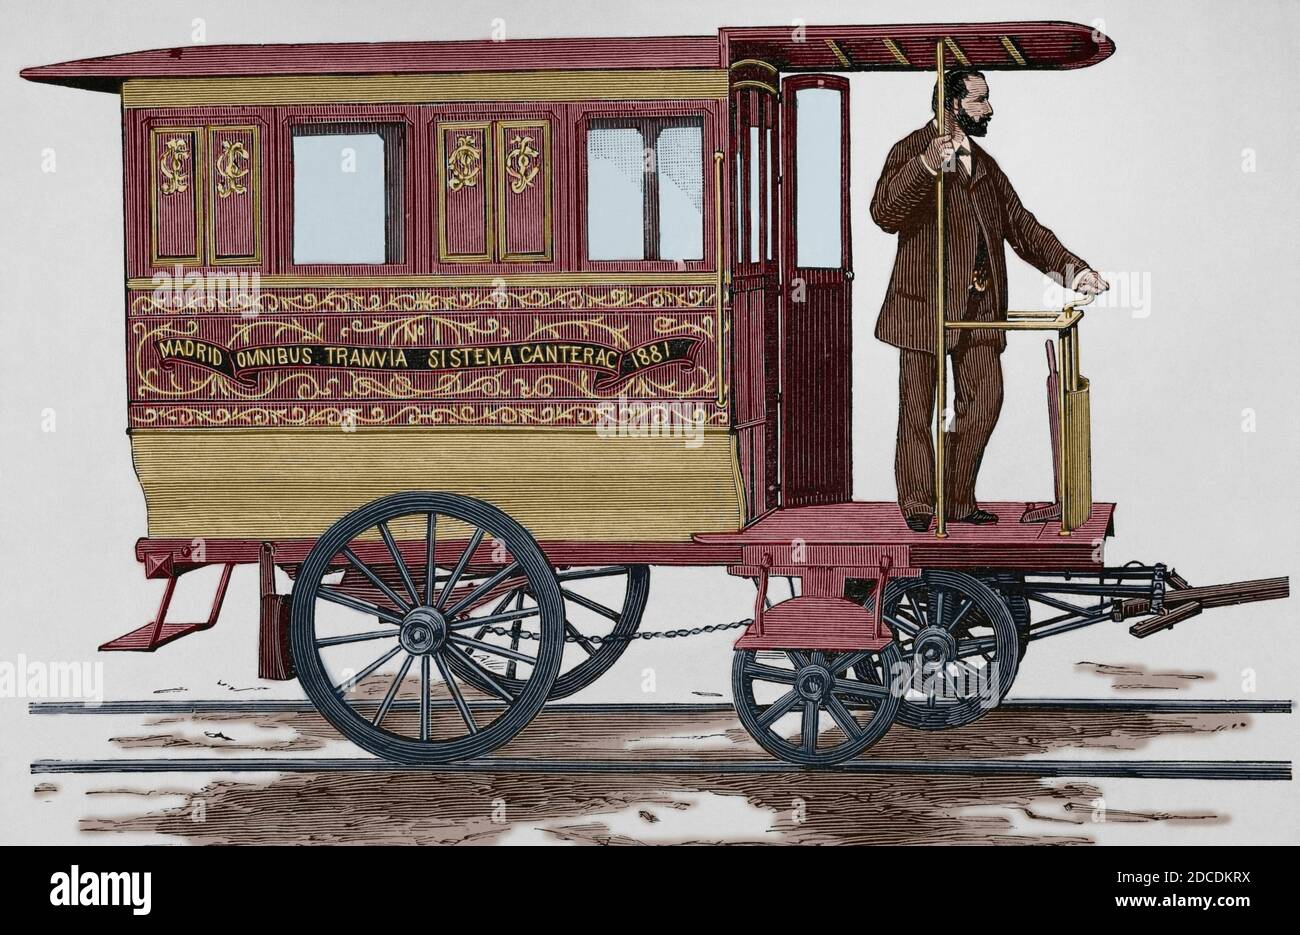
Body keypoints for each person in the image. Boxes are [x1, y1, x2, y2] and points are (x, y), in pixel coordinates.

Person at [870, 67, 1110, 533]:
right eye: (980, 101)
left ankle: (957, 499)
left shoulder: (984, 165)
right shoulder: (909, 150)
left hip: (979, 311)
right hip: (923, 307)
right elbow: (884, 213)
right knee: (918, 410)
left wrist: (1073, 271)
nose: (989, 109)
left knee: (984, 404)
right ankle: (919, 502)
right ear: (951, 105)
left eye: (986, 99)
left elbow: (1022, 227)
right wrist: (924, 168)